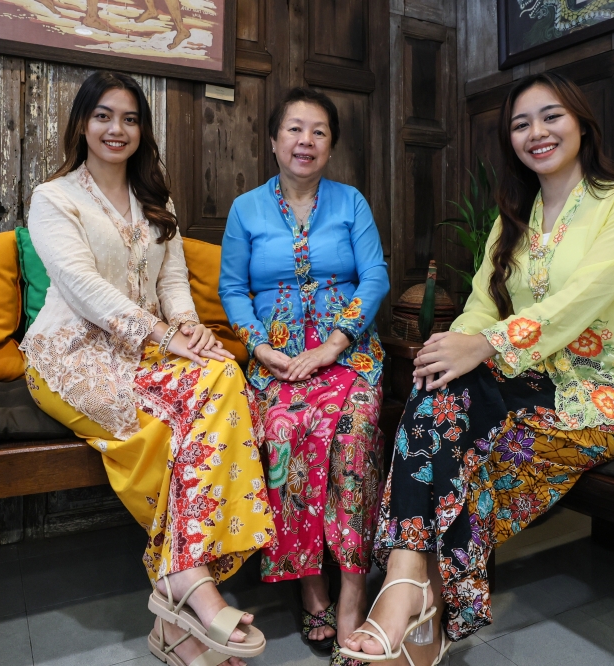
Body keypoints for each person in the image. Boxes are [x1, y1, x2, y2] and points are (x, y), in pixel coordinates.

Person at [341, 72, 614, 665]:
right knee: (437, 387)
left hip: (602, 397)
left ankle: (416, 596)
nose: (536, 132)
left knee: (474, 454)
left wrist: (483, 345)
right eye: (520, 124)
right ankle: (411, 587)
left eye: (551, 116)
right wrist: (452, 347)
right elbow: (481, 306)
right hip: (524, 381)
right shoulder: (513, 217)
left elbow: (581, 301)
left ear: (582, 123)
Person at [21, 70, 275, 666]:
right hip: (70, 356)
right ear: (82, 124)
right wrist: (166, 335)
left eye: (130, 119)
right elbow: (81, 287)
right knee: (181, 427)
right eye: (104, 115)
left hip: (146, 354)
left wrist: (190, 330)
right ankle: (189, 584)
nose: (117, 129)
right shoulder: (54, 198)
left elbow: (173, 281)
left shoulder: (157, 201)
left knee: (225, 375)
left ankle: (176, 607)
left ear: (142, 130)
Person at [219, 87, 390, 664]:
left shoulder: (351, 203)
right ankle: (309, 583)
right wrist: (259, 346)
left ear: (331, 146)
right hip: (277, 360)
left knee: (354, 433)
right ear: (273, 141)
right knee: (284, 431)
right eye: (294, 129)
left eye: (319, 131)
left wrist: (336, 343)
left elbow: (375, 276)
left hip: (349, 353)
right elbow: (232, 289)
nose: (305, 141)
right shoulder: (246, 209)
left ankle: (352, 586)